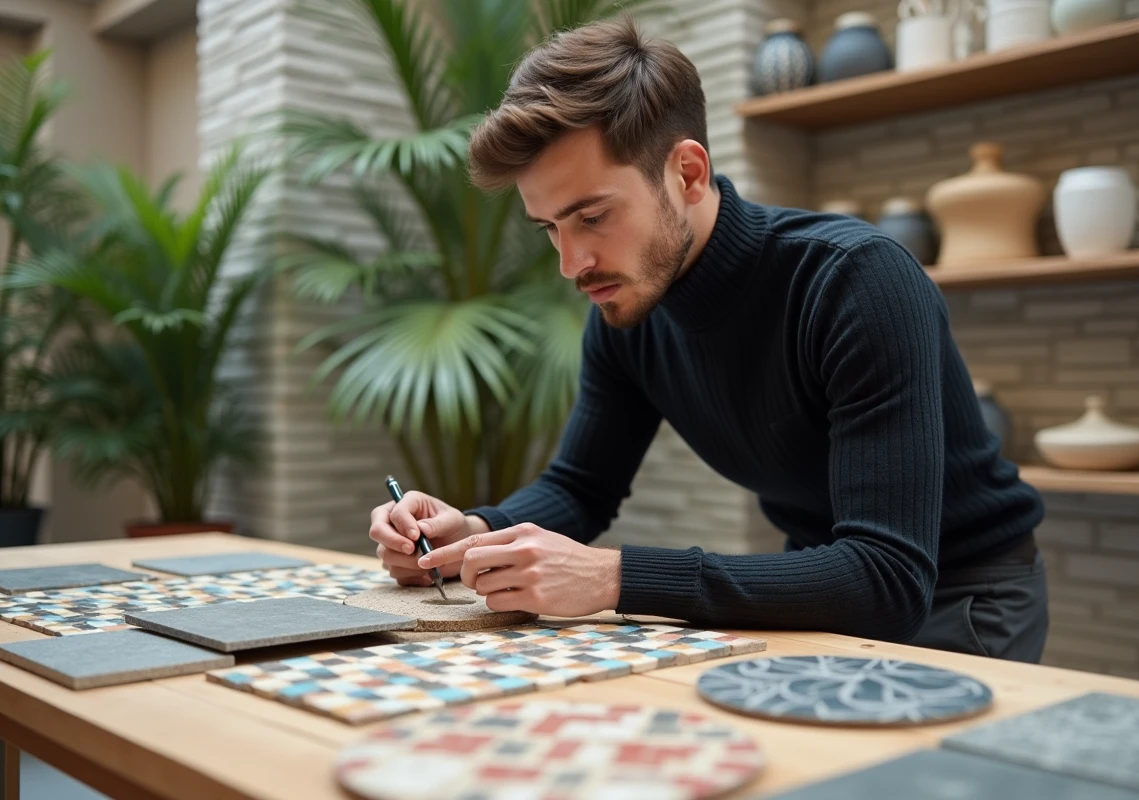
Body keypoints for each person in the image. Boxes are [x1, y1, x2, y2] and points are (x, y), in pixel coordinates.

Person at [368, 14, 1050, 662]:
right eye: (551, 228)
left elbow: (888, 577)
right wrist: (475, 532)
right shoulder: (625, 306)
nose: (571, 264)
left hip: (962, 596)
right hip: (828, 588)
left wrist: (614, 578)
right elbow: (581, 487)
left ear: (687, 173)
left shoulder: (856, 281)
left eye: (593, 217)